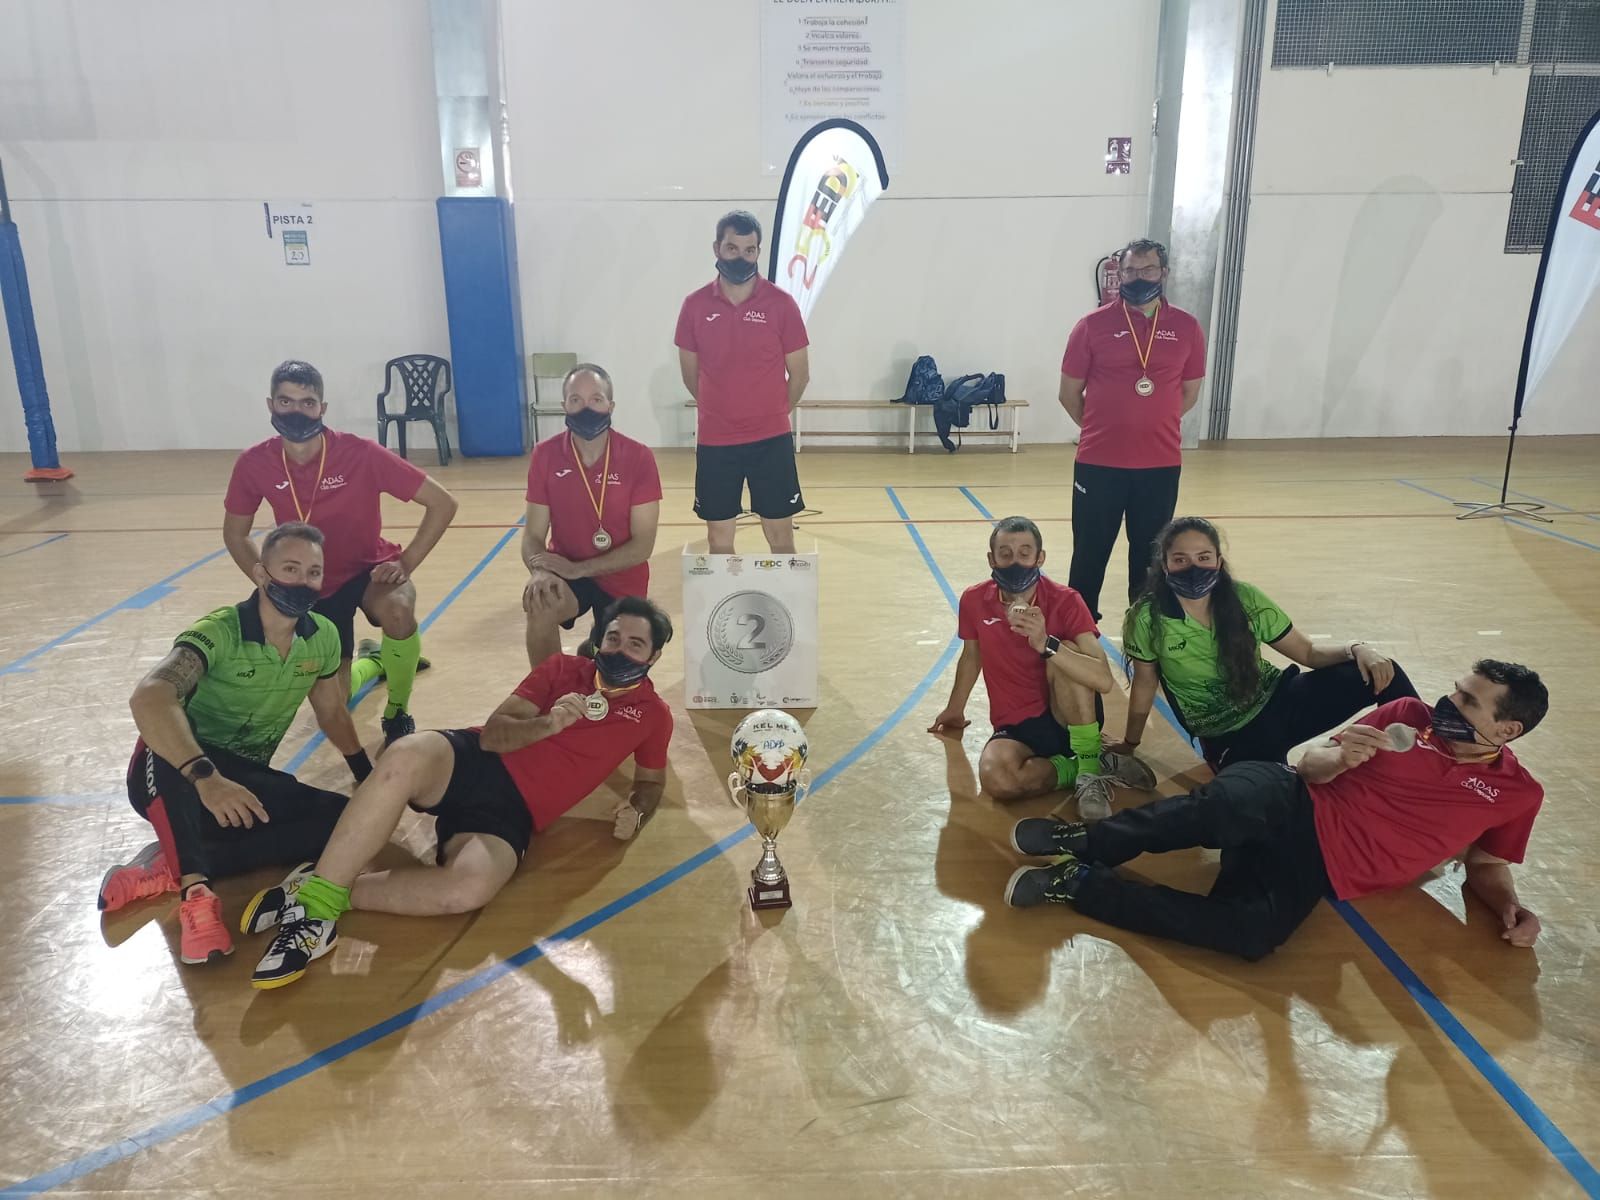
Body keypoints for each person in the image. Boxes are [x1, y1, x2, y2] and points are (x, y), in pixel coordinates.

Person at [242, 596, 676, 989]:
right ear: (599, 640)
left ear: (654, 655)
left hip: (511, 813)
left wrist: (637, 809)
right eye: (613, 637)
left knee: (466, 891)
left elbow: (651, 781)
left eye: (635, 644)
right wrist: (547, 724)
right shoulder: (562, 670)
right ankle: (317, 913)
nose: (619, 650)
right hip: (473, 762)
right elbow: (494, 735)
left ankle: (322, 887)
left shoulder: (654, 715)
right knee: (403, 755)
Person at [1003, 661, 1549, 961]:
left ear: (1507, 731)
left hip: (1321, 868)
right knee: (1225, 804)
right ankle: (1086, 842)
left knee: (1251, 936)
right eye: (1455, 691)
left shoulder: (1518, 794)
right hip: (1292, 797)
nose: (1446, 705)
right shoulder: (1406, 714)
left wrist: (1509, 908)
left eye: (1467, 703)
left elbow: (1485, 864)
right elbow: (1306, 765)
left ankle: (1077, 885)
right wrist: (1339, 757)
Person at [101, 523, 369, 965]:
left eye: (314, 572)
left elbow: (332, 712)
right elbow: (150, 697)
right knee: (169, 745)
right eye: (291, 568)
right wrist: (206, 778)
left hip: (241, 783)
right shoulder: (220, 631)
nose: (303, 581)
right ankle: (196, 895)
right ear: (262, 574)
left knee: (341, 824)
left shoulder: (321, 635)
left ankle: (166, 867)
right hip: (173, 775)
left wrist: (367, 775)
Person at [222, 359, 460, 744]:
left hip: (369, 570)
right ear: (270, 406)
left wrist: (406, 561)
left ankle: (398, 710)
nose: (296, 411)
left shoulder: (360, 453)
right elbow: (235, 533)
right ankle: (376, 661)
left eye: (307, 402)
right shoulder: (254, 463)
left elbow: (443, 503)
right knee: (335, 704)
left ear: (322, 409)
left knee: (398, 610)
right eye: (286, 402)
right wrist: (262, 576)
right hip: (309, 585)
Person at [1113, 517, 1417, 769]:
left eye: (1203, 557)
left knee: (1382, 672)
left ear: (1218, 562)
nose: (1193, 567)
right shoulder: (1147, 618)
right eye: (1180, 559)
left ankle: (1427, 758)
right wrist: (1131, 743)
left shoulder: (1246, 598)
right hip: (1228, 734)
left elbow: (1307, 652)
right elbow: (1144, 683)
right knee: (1271, 801)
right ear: (1165, 566)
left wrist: (1357, 649)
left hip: (1278, 701)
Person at [929, 516, 1157, 820]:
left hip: (1072, 714)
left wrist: (1046, 643)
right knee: (998, 779)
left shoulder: (1066, 600)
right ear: (991, 559)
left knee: (1068, 653)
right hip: (1016, 726)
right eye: (1005, 554)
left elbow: (1102, 679)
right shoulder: (974, 599)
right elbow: (972, 656)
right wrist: (955, 708)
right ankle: (1086, 764)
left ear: (1040, 558)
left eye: (1025, 553)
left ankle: (1088, 770)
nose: (1015, 562)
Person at [1059, 238, 1207, 621]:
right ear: (1118, 275)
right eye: (1129, 271)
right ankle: (1079, 633)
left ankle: (1144, 634)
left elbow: (1189, 393)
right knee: (1090, 553)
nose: (1138, 277)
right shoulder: (1091, 326)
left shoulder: (1187, 328)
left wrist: (1152, 425)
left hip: (1159, 465)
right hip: (1099, 463)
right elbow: (1069, 393)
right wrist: (1103, 428)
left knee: (1150, 558)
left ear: (1164, 273)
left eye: (1147, 270)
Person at [675, 210, 810, 555]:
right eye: (732, 248)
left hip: (771, 441)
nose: (741, 257)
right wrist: (720, 408)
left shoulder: (782, 304)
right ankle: (730, 610)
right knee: (719, 541)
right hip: (716, 441)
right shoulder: (694, 306)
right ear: (717, 248)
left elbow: (800, 374)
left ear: (758, 252)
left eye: (749, 250)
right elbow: (691, 375)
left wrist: (774, 412)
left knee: (781, 539)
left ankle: (784, 609)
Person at [522, 363, 662, 667]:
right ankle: (549, 696)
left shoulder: (639, 457)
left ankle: (596, 644)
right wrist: (540, 571)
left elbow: (643, 546)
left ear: (610, 406)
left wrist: (580, 569)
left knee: (618, 669)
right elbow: (533, 535)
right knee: (540, 602)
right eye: (576, 400)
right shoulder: (545, 455)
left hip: (623, 576)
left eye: (596, 400)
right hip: (568, 569)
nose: (586, 408)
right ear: (564, 407)